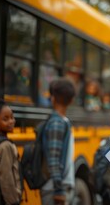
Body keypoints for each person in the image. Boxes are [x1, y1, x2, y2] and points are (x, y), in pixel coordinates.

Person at [40, 77, 76, 205]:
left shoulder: (62, 121)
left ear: (52, 98)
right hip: (54, 189)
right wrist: (59, 190)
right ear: (71, 101)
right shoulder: (57, 123)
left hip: (59, 187)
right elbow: (53, 160)